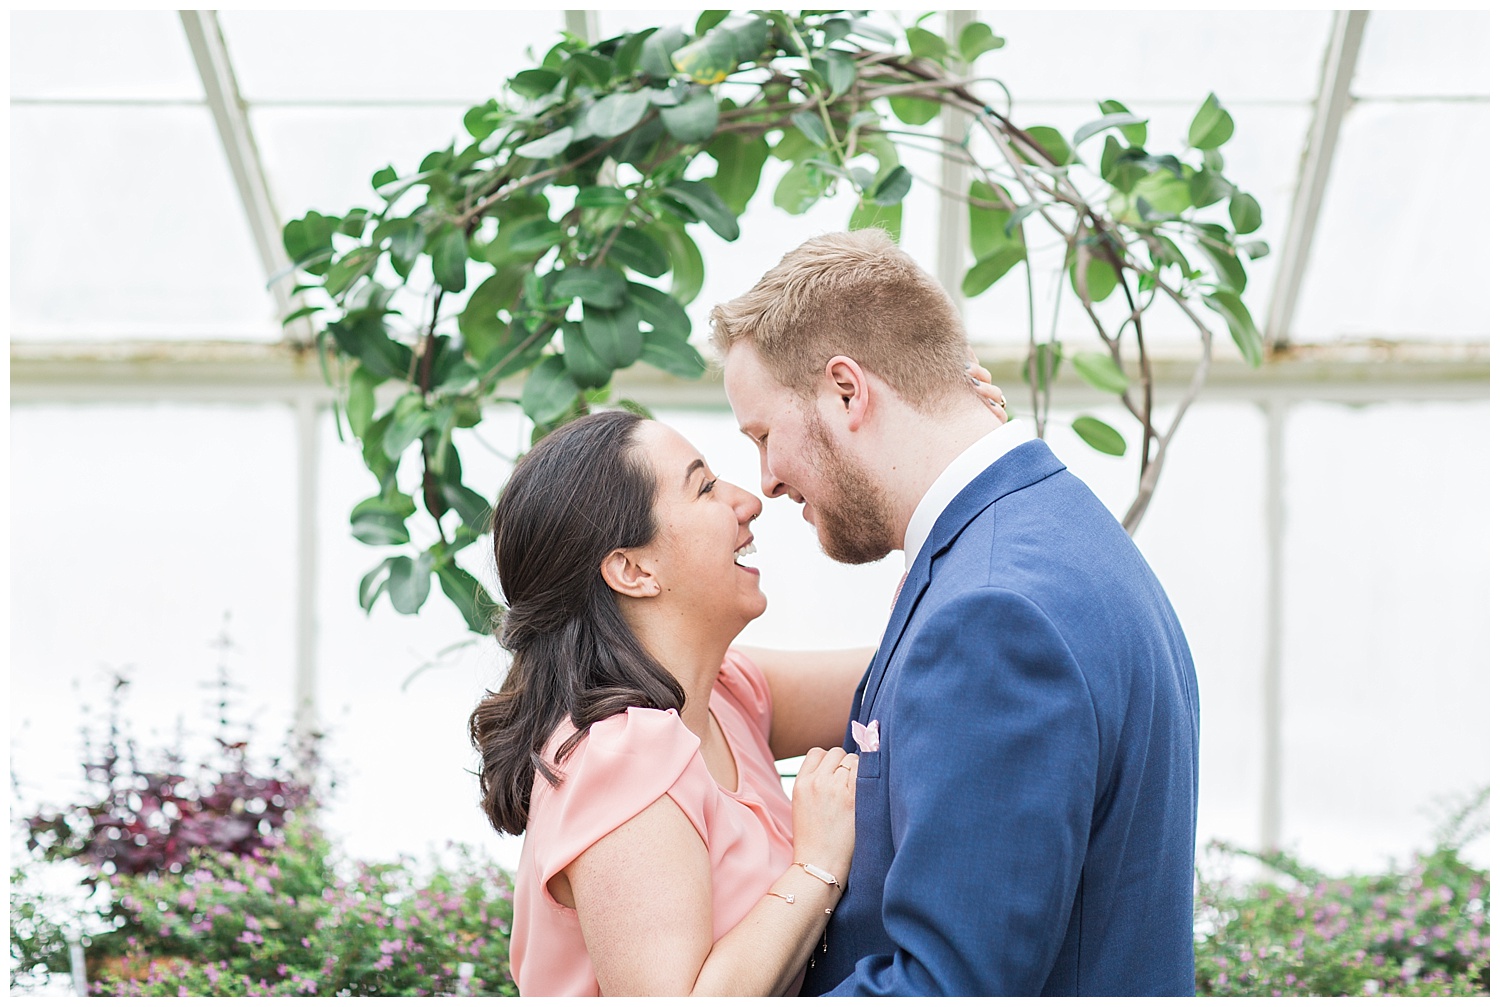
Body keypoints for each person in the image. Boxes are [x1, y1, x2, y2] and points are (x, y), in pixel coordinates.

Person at [713, 228, 1201, 996]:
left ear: (847, 390)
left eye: (764, 435)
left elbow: (949, 984)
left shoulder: (992, 614)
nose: (765, 481)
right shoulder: (1053, 526)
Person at [469, 369, 1009, 995]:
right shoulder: (620, 753)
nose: (748, 500)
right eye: (703, 489)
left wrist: (957, 451)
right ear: (633, 569)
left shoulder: (729, 694)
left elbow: (929, 660)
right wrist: (816, 865)